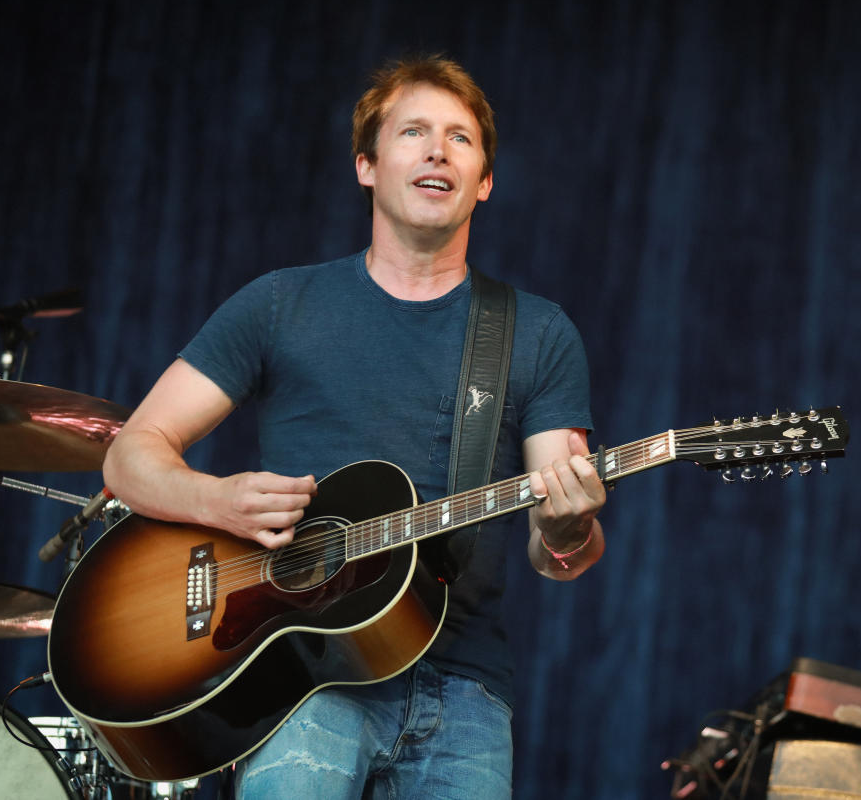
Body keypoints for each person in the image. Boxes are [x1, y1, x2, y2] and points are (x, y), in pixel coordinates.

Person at [101, 54, 607, 798]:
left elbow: (561, 552)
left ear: (485, 183)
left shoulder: (536, 334)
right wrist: (214, 501)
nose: (438, 150)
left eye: (461, 139)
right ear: (367, 165)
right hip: (305, 681)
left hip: (464, 688)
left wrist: (568, 533)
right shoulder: (280, 304)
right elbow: (129, 458)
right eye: (414, 132)